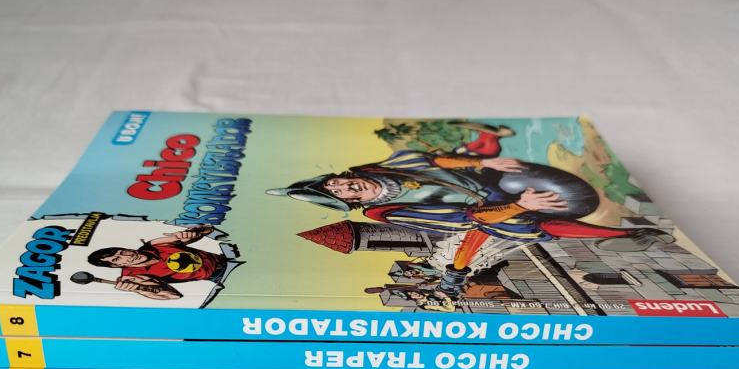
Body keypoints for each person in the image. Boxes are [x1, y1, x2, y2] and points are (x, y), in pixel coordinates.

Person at [267, 147, 673, 252]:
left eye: (338, 182)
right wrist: (522, 206)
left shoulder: (374, 168)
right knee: (523, 227)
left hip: (486, 179)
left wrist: (482, 160)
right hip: (494, 207)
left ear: (342, 175)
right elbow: (469, 218)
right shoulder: (382, 211)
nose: (346, 188)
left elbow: (427, 161)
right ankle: (628, 236)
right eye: (338, 194)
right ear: (347, 204)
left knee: (512, 169)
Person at [87, 225, 225, 300]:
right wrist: (141, 290)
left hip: (225, 259)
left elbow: (207, 229)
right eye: (117, 259)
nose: (128, 256)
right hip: (219, 276)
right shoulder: (133, 277)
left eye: (122, 252)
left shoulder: (154, 244)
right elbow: (173, 296)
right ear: (115, 266)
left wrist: (193, 232)